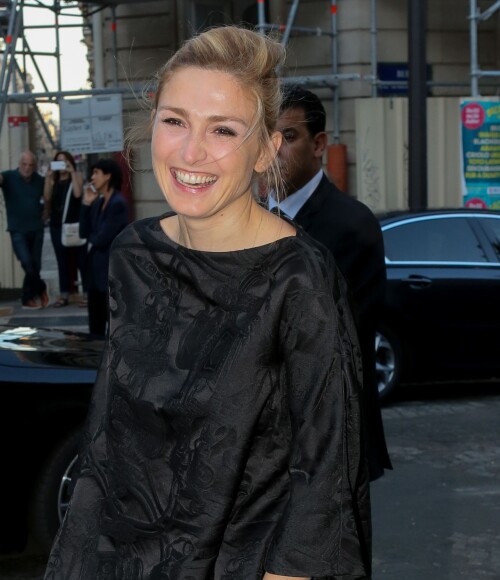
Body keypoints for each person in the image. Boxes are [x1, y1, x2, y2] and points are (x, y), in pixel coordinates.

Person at [45, 26, 371, 580]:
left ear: (267, 147)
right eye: (175, 121)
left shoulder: (297, 277)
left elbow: (328, 471)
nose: (190, 152)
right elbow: (107, 441)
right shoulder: (133, 253)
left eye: (223, 130)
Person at [270, 85, 391, 481]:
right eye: (264, 137)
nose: (272, 151)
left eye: (288, 137)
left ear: (319, 144)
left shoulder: (352, 225)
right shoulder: (249, 218)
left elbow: (340, 340)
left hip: (330, 436)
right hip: (264, 442)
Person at [79, 158, 129, 336]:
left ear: (107, 176)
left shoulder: (118, 204)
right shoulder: (98, 203)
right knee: (95, 325)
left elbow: (101, 239)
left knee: (113, 325)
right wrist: (86, 204)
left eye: (96, 173)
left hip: (110, 272)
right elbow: (83, 232)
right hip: (94, 272)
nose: (92, 178)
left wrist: (93, 237)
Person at [0, 151, 49, 309]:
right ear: (20, 163)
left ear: (35, 166)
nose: (27, 168)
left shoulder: (39, 180)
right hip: (17, 229)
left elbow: (47, 198)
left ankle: (27, 298)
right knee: (26, 262)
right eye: (24, 164)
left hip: (37, 228)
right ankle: (41, 288)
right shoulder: (10, 176)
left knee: (35, 265)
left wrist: (46, 211)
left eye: (31, 165)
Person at [44, 151, 87, 308]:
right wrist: (48, 177)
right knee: (62, 261)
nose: (62, 166)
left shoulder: (76, 176)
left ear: (70, 162)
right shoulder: (54, 180)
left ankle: (86, 294)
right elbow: (47, 197)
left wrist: (72, 172)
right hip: (57, 225)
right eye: (59, 162)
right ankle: (64, 294)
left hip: (74, 225)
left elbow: (77, 193)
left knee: (81, 260)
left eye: (64, 162)